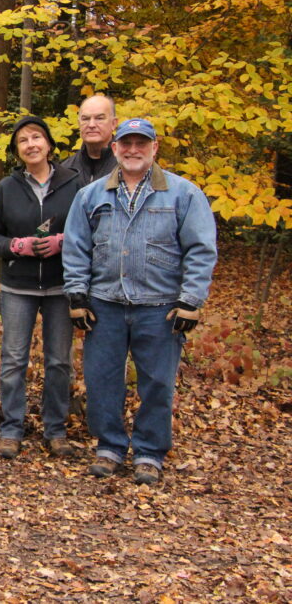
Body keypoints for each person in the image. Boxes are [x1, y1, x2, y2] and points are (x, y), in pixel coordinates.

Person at [63, 118, 217, 485]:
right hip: (104, 305)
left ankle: (149, 451)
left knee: (157, 383)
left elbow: (201, 250)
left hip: (160, 308)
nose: (133, 150)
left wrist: (191, 300)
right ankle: (110, 446)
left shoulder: (184, 194)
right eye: (126, 144)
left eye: (141, 144)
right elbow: (76, 247)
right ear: (115, 148)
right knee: (102, 380)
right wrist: (77, 295)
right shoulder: (92, 195)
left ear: (154, 148)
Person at [0, 116, 81, 459]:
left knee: (58, 362)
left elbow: (91, 230)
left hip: (61, 285)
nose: (31, 144)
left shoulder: (74, 184)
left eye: (36, 137)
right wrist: (17, 246)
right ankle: (12, 428)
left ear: (49, 144)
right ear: (17, 150)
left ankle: (55, 430)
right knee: (12, 360)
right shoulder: (7, 188)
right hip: (19, 287)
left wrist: (63, 242)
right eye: (23, 141)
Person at [61, 94, 118, 186]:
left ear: (113, 123)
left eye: (99, 118)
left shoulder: (126, 166)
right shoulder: (66, 170)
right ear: (79, 124)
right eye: (86, 119)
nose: (91, 125)